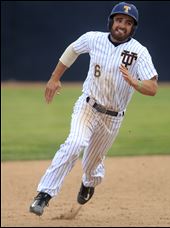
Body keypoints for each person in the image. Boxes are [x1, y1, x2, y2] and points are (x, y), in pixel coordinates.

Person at [29, 2, 158, 216]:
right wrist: (54, 78)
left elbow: (153, 87)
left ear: (132, 28)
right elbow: (73, 49)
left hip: (113, 118)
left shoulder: (139, 52)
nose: (122, 25)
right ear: (111, 21)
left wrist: (136, 83)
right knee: (74, 143)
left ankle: (89, 182)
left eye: (127, 23)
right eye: (118, 20)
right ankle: (44, 194)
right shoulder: (93, 38)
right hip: (88, 106)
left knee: (92, 164)